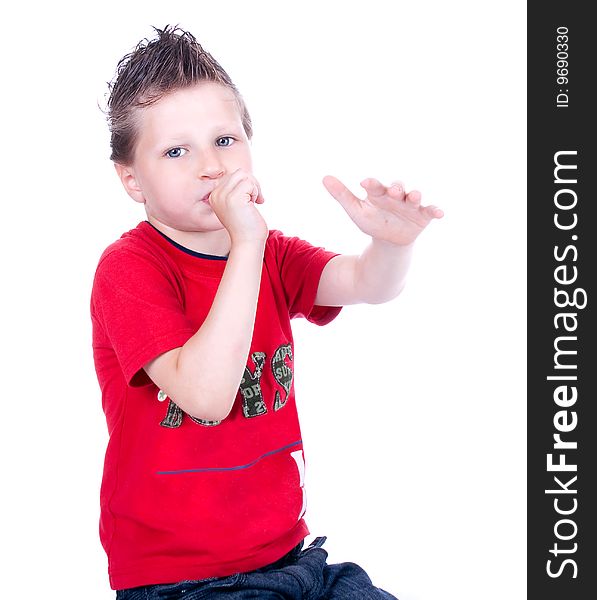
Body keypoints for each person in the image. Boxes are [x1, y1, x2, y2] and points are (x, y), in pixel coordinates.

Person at [91, 24, 443, 599]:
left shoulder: (272, 251)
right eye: (177, 151)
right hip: (183, 581)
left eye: (224, 140)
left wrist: (393, 244)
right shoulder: (130, 270)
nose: (210, 166)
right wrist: (246, 242)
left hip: (292, 558)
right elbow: (205, 396)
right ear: (131, 179)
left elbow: (363, 283)